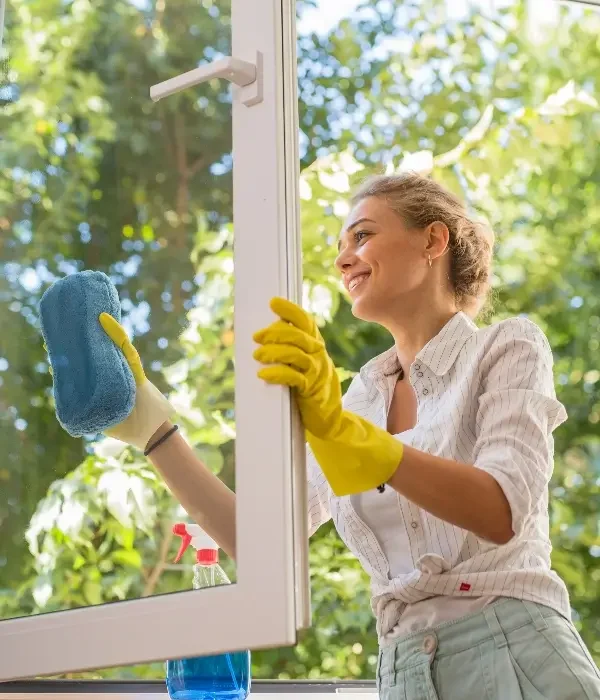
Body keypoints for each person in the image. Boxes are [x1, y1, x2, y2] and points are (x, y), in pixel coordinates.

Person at [97, 172, 600, 699]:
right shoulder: (360, 398)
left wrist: (354, 440)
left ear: (433, 240)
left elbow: (500, 510)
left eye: (361, 236)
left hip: (515, 657)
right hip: (402, 674)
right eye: (340, 246)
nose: (342, 259)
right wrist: (157, 433)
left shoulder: (506, 348)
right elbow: (261, 541)